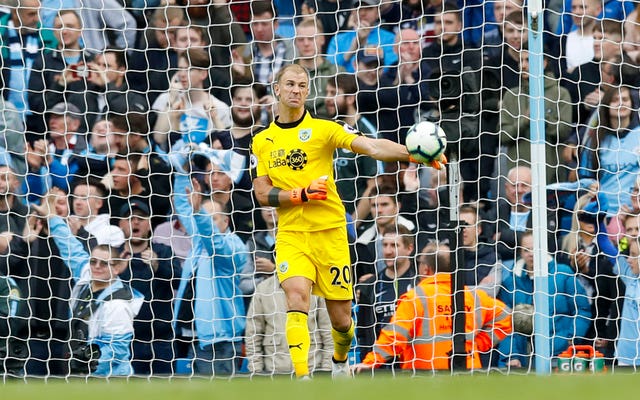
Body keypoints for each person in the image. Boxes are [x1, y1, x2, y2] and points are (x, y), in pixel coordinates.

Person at [250, 63, 445, 379]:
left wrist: (413, 154)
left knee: (341, 320)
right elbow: (262, 193)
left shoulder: (324, 130)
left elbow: (371, 146)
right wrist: (299, 195)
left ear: (308, 91)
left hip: (331, 234)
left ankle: (340, 361)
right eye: (289, 84)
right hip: (291, 234)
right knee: (296, 296)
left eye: (302, 85)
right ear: (276, 89)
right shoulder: (262, 141)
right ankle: (303, 380)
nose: (296, 90)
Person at [352, 242, 512, 373]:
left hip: (424, 375)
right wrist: (477, 344)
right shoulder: (472, 295)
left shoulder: (415, 297)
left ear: (425, 269)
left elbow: (395, 334)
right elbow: (506, 317)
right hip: (468, 372)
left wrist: (371, 362)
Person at [498, 231, 592, 368]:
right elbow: (504, 323)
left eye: (535, 248)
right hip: (523, 359)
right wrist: (512, 355)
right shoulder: (510, 283)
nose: (531, 253)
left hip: (559, 354)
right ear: (520, 253)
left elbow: (582, 310)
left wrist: (571, 339)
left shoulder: (563, 273)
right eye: (526, 250)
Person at [245, 275, 333, 376]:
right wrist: (256, 371)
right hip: (274, 373)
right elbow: (253, 335)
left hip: (312, 371)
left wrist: (326, 371)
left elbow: (329, 333)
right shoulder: (263, 289)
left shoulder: (316, 287)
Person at [355, 224, 418, 361]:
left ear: (409, 249)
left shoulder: (419, 283)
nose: (388, 251)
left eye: (394, 245)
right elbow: (363, 332)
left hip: (413, 362)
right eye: (385, 245)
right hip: (380, 364)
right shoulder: (370, 286)